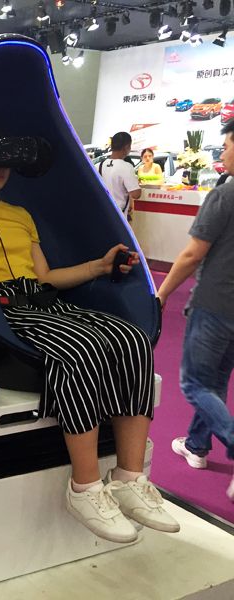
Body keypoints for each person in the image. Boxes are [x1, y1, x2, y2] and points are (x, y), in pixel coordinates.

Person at [0, 121, 179, 543]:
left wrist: (100, 266)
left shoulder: (20, 215)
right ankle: (84, 487)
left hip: (41, 300)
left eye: (5, 157)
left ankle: (129, 477)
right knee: (80, 348)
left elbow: (45, 276)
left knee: (133, 340)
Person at [156, 120, 234, 503]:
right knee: (215, 381)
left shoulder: (225, 195)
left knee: (194, 384)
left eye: (228, 144)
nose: (223, 152)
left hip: (215, 303)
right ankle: (197, 445)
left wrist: (162, 293)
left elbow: (192, 254)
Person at [98, 131, 141, 221]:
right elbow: (136, 194)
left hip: (101, 212)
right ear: (126, 147)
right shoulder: (126, 166)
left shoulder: (100, 165)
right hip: (118, 216)